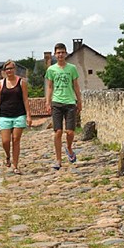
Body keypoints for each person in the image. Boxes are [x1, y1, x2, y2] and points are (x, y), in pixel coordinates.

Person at [45, 42, 82, 170]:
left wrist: (79, 100)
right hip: (57, 102)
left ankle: (69, 148)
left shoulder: (72, 68)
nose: (60, 55)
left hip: (70, 102)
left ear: (66, 53)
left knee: (70, 132)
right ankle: (58, 159)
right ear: (55, 54)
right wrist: (48, 102)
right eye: (58, 53)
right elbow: (50, 86)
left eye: (62, 52)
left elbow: (76, 85)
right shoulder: (51, 69)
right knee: (58, 132)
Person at [0, 60, 32, 175]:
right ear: (4, 71)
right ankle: (8, 155)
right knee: (5, 141)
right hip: (5, 115)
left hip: (19, 114)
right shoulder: (0, 84)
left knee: (16, 140)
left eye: (11, 68)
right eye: (7, 69)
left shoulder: (21, 82)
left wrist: (28, 115)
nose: (9, 71)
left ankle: (15, 165)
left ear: (15, 69)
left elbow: (25, 99)